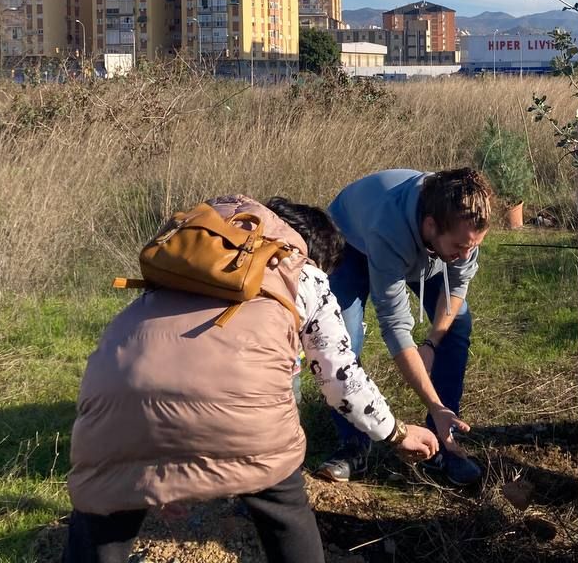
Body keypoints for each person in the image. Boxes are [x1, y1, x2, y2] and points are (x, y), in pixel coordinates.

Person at [65, 195, 438, 563]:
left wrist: (169, 474)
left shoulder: (193, 256)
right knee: (285, 510)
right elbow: (340, 377)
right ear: (316, 254)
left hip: (116, 396)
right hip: (243, 414)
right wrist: (397, 433)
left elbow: (168, 360)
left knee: (105, 508)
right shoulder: (302, 270)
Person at [321, 167, 492, 486]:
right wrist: (432, 401)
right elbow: (395, 326)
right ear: (430, 226)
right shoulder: (390, 230)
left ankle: (443, 442)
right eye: (460, 246)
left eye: (473, 246)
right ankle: (354, 444)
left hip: (416, 246)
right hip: (351, 238)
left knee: (457, 325)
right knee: (340, 339)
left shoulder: (463, 224)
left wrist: (431, 344)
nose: (466, 254)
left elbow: (456, 289)